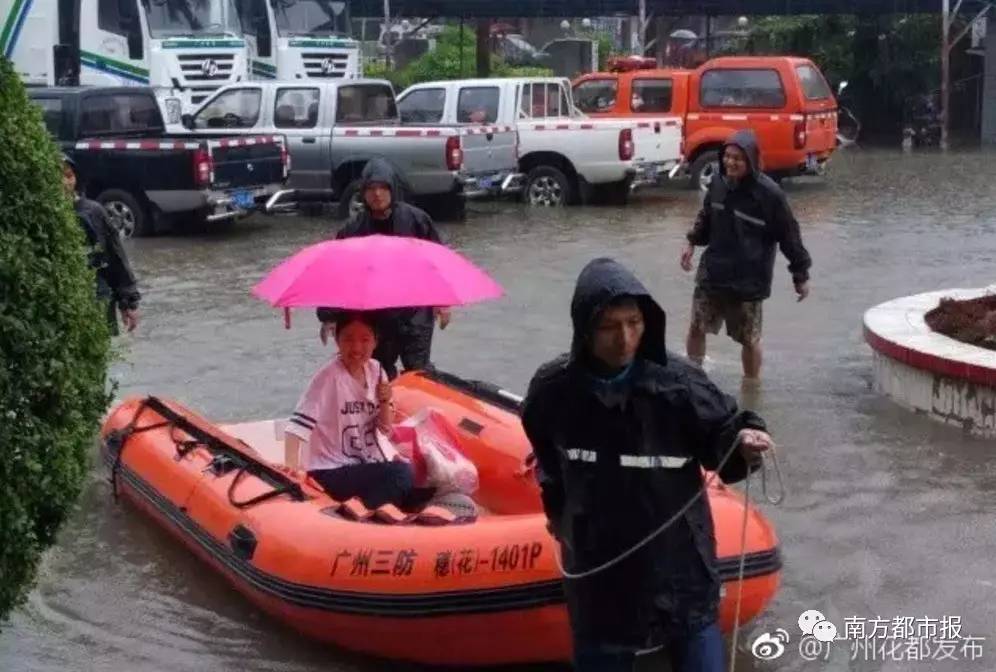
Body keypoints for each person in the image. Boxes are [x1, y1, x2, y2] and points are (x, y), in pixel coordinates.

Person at [520, 257, 775, 672]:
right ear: (584, 328)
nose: (624, 339)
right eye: (608, 327)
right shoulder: (555, 390)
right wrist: (559, 511)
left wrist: (745, 441)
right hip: (598, 561)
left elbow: (723, 432)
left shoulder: (678, 382)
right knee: (602, 652)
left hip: (680, 561)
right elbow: (544, 448)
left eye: (633, 323)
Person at [679, 129, 811, 384]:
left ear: (751, 160)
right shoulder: (717, 183)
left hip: (748, 280)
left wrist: (800, 274)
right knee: (696, 327)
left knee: (749, 339)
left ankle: (751, 387)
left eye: (738, 158)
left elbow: (789, 236)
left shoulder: (769, 195)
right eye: (727, 156)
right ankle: (694, 378)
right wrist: (691, 242)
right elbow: (706, 217)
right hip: (713, 272)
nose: (730, 162)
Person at [317, 158, 452, 379]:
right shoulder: (352, 229)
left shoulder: (417, 220)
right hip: (375, 314)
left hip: (414, 310)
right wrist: (329, 317)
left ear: (393, 189)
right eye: (371, 189)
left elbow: (437, 261)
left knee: (418, 371)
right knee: (377, 371)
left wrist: (443, 301)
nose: (377, 194)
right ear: (363, 193)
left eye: (382, 188)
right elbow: (336, 273)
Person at [285, 311, 415, 509]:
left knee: (408, 473)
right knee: (401, 474)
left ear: (375, 342)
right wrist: (291, 471)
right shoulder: (328, 377)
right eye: (348, 339)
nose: (356, 348)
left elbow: (384, 428)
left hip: (363, 463)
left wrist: (384, 401)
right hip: (329, 468)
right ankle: (355, 517)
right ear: (337, 340)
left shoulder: (377, 370)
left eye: (365, 340)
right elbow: (295, 428)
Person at [61, 155, 141, 334]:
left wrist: (128, 302)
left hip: (96, 295)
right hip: (59, 302)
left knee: (95, 353)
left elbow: (115, 257)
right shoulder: (37, 217)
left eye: (68, 176)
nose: (65, 183)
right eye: (57, 177)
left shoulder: (93, 212)